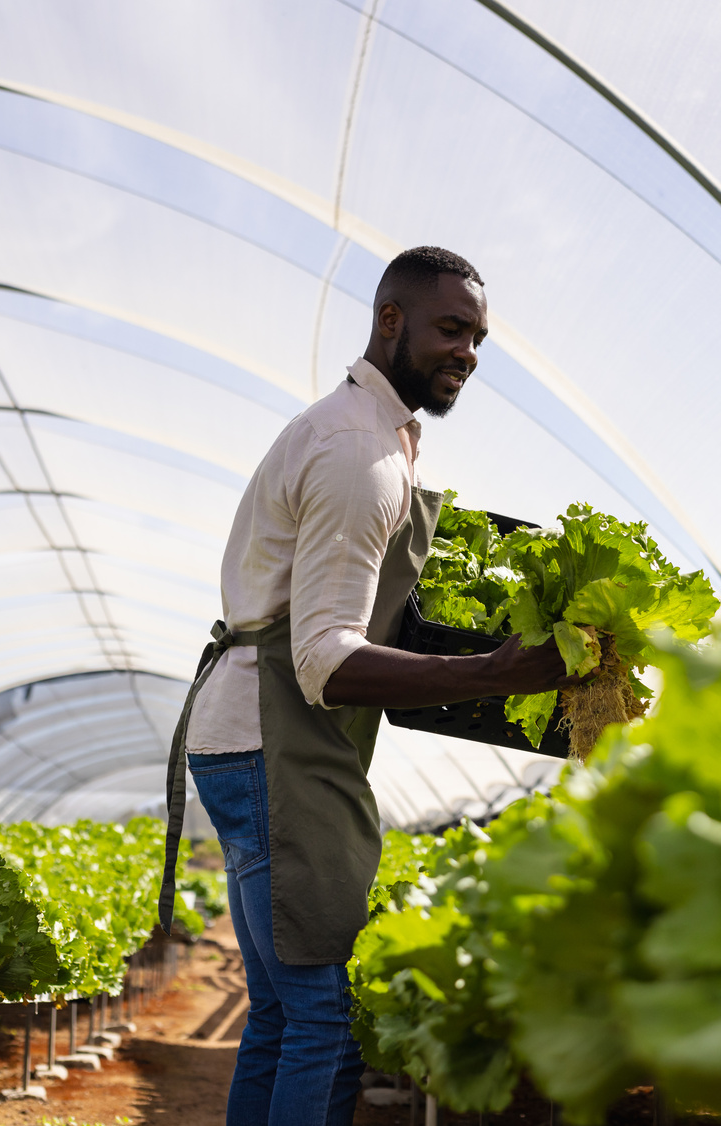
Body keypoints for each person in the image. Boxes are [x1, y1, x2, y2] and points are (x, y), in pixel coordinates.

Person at [157, 247, 575, 1126]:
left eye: (479, 338)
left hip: (249, 739)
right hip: (280, 745)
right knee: (324, 1020)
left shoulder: (370, 435)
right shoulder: (359, 456)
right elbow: (325, 660)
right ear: (391, 320)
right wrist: (492, 670)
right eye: (450, 329)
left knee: (279, 1012)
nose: (467, 352)